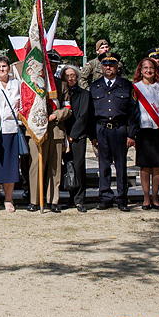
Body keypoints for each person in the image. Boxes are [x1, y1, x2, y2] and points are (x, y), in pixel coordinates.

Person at [90, 52, 140, 211]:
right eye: (105, 65)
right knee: (103, 165)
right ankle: (105, 197)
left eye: (112, 65)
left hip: (119, 129)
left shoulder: (126, 86)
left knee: (121, 166)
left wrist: (132, 134)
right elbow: (90, 114)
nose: (108, 67)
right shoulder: (95, 86)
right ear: (101, 67)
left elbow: (134, 112)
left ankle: (122, 198)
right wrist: (92, 136)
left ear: (117, 66)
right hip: (101, 129)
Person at [132, 58, 159, 210]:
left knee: (158, 166)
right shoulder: (135, 88)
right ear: (140, 70)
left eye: (151, 68)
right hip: (143, 131)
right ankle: (145, 198)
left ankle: (155, 197)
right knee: (145, 166)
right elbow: (133, 113)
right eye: (145, 68)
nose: (148, 70)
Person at [29, 50, 69, 213]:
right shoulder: (33, 83)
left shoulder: (62, 84)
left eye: (54, 65)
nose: (51, 68)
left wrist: (54, 116)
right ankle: (35, 200)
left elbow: (67, 107)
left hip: (56, 130)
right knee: (36, 166)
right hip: (36, 129)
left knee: (54, 168)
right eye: (48, 65)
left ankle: (53, 200)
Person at [0, 55, 21, 212]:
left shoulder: (17, 84)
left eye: (4, 66)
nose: (2, 69)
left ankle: (9, 199)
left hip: (11, 128)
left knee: (10, 167)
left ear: (9, 68)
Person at [59, 65, 92, 212]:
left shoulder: (84, 94)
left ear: (77, 77)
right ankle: (71, 198)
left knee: (78, 167)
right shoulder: (61, 94)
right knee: (68, 167)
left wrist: (72, 135)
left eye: (72, 75)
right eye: (67, 76)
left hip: (78, 136)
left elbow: (84, 116)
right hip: (63, 135)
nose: (70, 78)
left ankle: (80, 200)